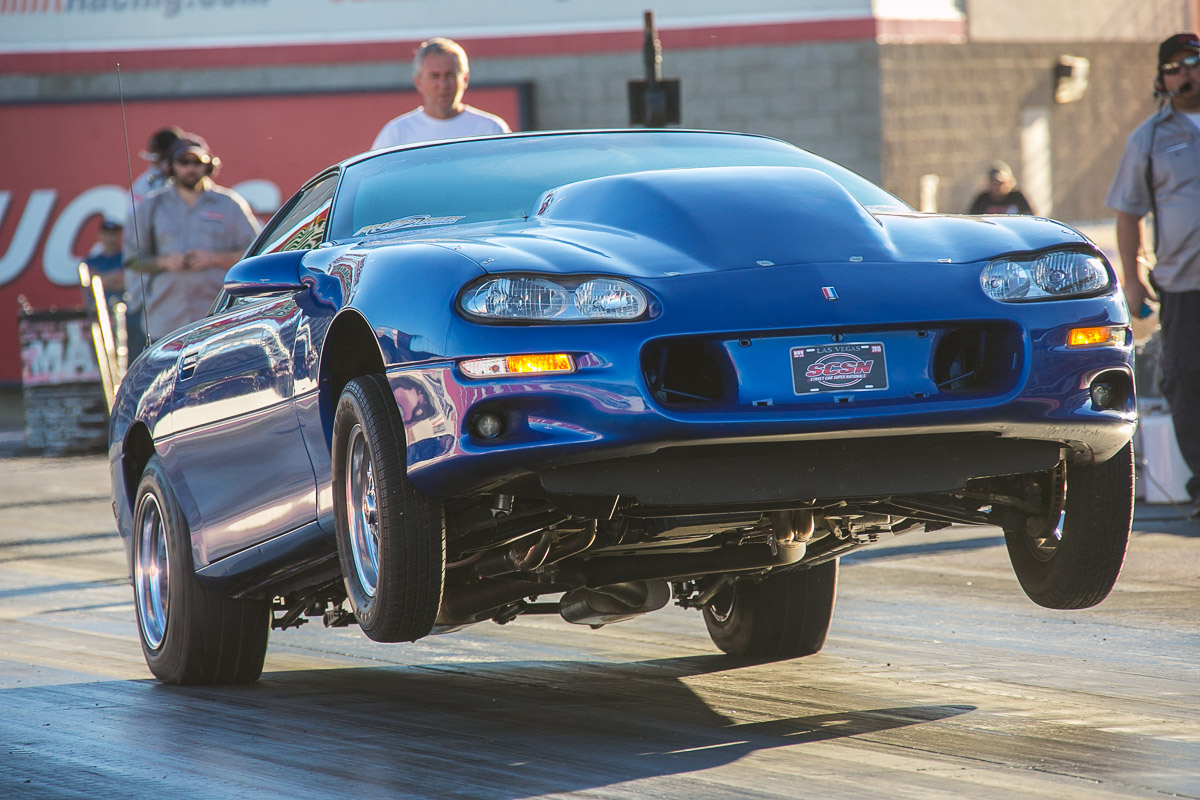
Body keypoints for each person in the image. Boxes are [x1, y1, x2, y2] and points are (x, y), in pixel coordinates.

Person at [1107, 32, 1200, 518]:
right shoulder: (1149, 139)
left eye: (1194, 61)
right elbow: (1128, 213)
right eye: (1174, 67)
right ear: (1161, 78)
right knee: (1185, 379)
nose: (1186, 73)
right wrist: (1133, 276)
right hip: (1184, 285)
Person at [124, 134, 260, 341]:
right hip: (165, 320)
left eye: (197, 162)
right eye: (183, 162)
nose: (190, 168)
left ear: (209, 166)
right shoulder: (150, 207)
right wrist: (163, 261)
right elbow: (132, 260)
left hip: (219, 318)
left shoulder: (230, 204)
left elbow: (256, 255)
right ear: (170, 166)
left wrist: (214, 258)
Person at [371, 37, 511, 149]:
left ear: (464, 79)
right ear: (418, 82)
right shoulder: (396, 135)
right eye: (434, 76)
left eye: (449, 75)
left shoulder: (491, 130)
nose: (443, 85)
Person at [967, 161, 1035, 215]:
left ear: (1009, 182)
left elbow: (1029, 215)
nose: (996, 186)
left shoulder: (1017, 197)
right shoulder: (982, 199)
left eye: (1000, 183)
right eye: (993, 182)